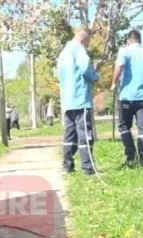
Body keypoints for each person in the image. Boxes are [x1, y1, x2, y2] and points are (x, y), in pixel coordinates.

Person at [110, 29, 143, 168]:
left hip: (127, 96)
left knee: (124, 126)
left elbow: (119, 66)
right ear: (140, 40)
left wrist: (114, 83)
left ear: (128, 40)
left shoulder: (125, 51)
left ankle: (131, 154)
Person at [56, 28, 100, 175]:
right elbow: (85, 67)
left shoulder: (63, 53)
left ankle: (67, 165)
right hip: (80, 98)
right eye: (88, 43)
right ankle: (87, 167)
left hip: (67, 100)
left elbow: (58, 74)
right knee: (85, 134)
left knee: (69, 134)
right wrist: (95, 76)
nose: (87, 46)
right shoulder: (78, 49)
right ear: (83, 39)